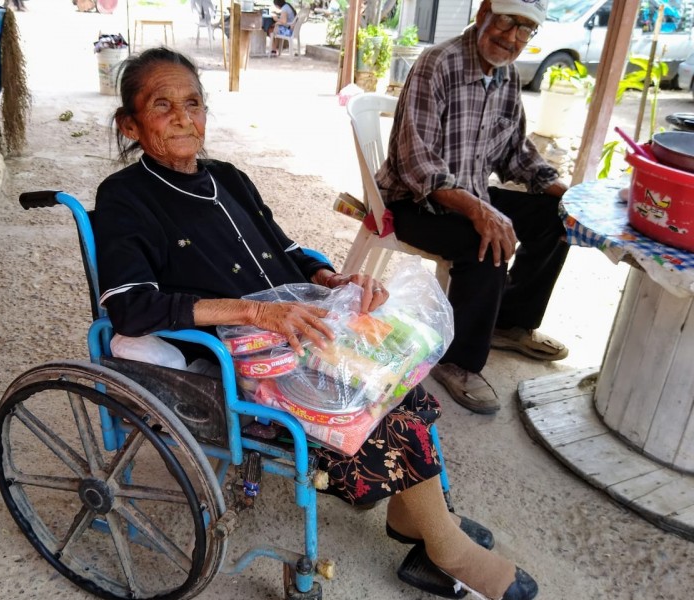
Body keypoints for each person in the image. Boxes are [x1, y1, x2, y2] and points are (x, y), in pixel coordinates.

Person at [93, 46, 539, 600]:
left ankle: (415, 521)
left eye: (193, 102)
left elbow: (285, 249)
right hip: (240, 356)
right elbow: (130, 307)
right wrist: (257, 312)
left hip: (300, 326)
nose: (184, 117)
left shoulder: (228, 177)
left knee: (401, 363)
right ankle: (440, 544)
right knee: (371, 405)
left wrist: (333, 280)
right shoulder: (123, 199)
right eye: (163, 105)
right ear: (130, 124)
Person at [376, 0, 570, 415]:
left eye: (525, 30)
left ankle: (509, 321)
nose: (512, 37)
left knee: (558, 219)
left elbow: (515, 154)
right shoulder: (437, 64)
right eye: (507, 21)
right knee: (488, 242)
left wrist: (561, 190)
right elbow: (418, 165)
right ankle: (458, 361)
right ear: (483, 13)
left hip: (470, 194)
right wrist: (481, 212)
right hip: (415, 202)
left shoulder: (507, 76)